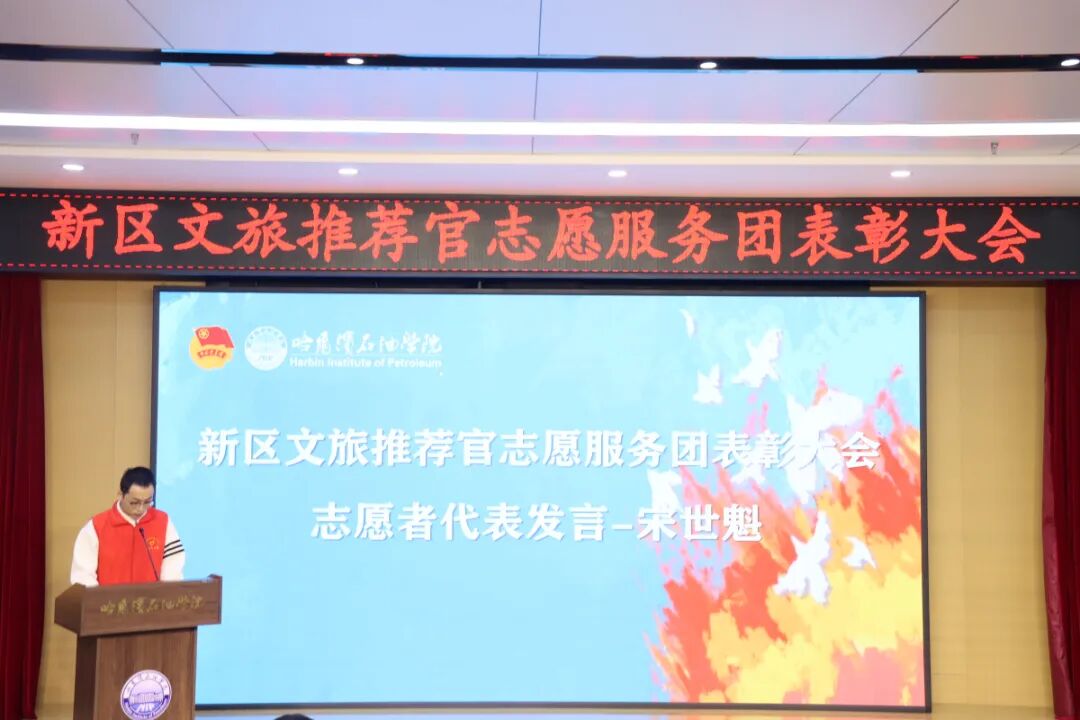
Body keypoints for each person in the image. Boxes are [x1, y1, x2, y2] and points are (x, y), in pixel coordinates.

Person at [70, 466, 185, 586]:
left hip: (152, 598)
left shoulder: (163, 522)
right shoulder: (96, 526)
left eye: (147, 502)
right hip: (109, 598)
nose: (141, 509)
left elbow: (173, 570)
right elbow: (83, 575)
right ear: (120, 494)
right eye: (134, 502)